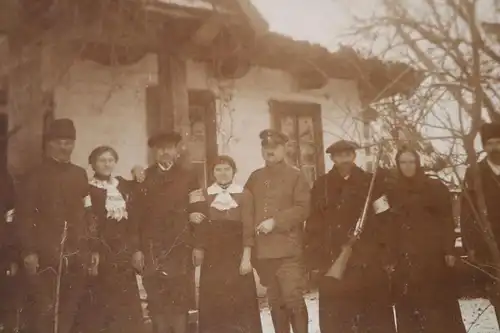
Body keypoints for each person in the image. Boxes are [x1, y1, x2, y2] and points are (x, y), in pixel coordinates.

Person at [16, 118, 98, 333]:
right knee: (45, 310)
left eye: (69, 142)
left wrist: (92, 247)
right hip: (45, 257)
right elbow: (24, 217)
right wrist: (28, 252)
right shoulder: (34, 176)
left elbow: (88, 212)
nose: (65, 147)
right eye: (60, 142)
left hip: (76, 255)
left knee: (69, 310)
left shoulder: (80, 174)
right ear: (49, 144)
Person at [305, 140, 396, 333]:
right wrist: (314, 260)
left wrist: (385, 253)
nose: (344, 159)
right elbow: (314, 224)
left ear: (354, 156)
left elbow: (385, 219)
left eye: (348, 155)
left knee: (372, 317)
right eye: (339, 156)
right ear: (333, 158)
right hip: (333, 258)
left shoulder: (371, 182)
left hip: (367, 259)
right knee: (337, 319)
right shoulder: (322, 185)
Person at [387, 146, 465, 333]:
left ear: (418, 163)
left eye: (411, 162)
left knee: (437, 309)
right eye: (403, 162)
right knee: (409, 310)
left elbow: (447, 220)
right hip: (405, 260)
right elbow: (386, 224)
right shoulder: (391, 190)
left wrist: (448, 249)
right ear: (397, 165)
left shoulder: (434, 187)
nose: (407, 166)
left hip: (432, 257)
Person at [244, 129, 310, 333]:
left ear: (284, 149)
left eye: (274, 147)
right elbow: (245, 207)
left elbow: (303, 208)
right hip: (264, 253)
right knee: (275, 302)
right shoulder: (255, 177)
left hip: (288, 251)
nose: (269, 151)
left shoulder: (296, 176)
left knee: (292, 299)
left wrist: (276, 221)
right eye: (266, 147)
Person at [134, 131, 198, 333]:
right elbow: (136, 217)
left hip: (180, 247)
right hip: (152, 247)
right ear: (154, 152)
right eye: (160, 149)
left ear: (176, 150)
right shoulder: (144, 178)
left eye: (169, 148)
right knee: (156, 300)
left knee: (179, 300)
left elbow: (198, 210)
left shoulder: (189, 177)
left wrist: (198, 245)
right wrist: (137, 249)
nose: (165, 152)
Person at [192, 155, 263, 333]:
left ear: (234, 172)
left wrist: (246, 258)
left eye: (227, 169)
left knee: (240, 301)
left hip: (237, 254)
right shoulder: (205, 194)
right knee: (215, 301)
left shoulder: (244, 194)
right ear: (213, 173)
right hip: (213, 256)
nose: (223, 174)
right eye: (218, 169)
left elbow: (248, 227)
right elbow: (199, 226)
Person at [80, 146, 144, 333]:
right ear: (92, 164)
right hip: (102, 250)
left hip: (124, 250)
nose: (107, 164)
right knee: (101, 299)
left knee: (125, 300)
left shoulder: (123, 185)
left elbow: (136, 215)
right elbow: (88, 219)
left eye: (110, 160)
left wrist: (138, 169)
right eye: (102, 160)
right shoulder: (88, 188)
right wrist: (93, 249)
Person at [461, 122, 500, 325]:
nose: (495, 148)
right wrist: (472, 246)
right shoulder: (475, 173)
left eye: (498, 143)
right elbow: (467, 212)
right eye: (490, 144)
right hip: (490, 248)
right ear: (484, 147)